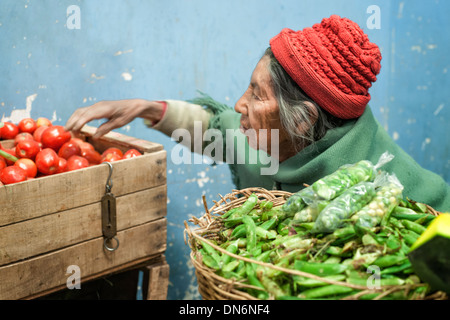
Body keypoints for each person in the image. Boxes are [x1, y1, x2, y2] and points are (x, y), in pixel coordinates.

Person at [65, 15, 450, 212]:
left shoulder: (387, 188)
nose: (238, 105)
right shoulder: (273, 137)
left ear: (303, 119)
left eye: (256, 94)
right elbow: (217, 129)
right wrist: (145, 108)